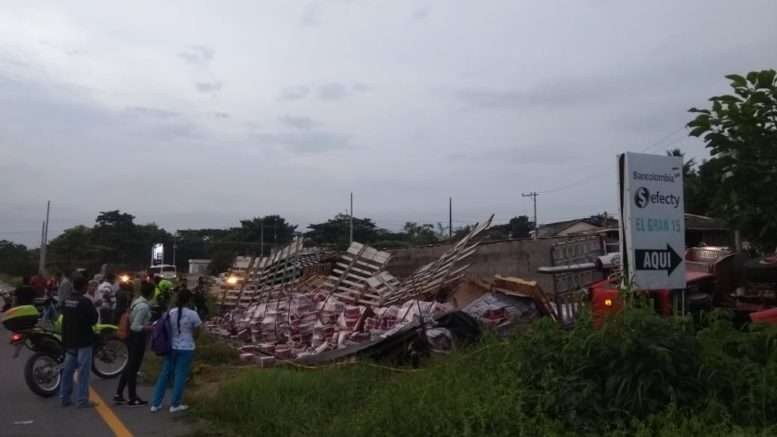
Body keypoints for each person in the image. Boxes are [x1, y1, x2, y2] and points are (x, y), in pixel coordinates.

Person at [150, 288, 201, 413]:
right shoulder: (192, 314)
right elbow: (197, 331)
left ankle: (155, 404)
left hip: (171, 347)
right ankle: (175, 404)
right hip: (187, 347)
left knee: (165, 374)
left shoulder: (171, 312)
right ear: (189, 300)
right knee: (180, 375)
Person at [60, 276, 99, 408]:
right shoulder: (85, 301)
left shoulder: (67, 300)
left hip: (70, 340)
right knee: (83, 371)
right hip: (84, 340)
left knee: (67, 370)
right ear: (83, 286)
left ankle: (64, 398)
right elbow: (94, 319)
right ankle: (82, 400)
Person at [115, 282, 153, 406]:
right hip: (137, 338)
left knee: (129, 366)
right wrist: (149, 328)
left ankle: (119, 393)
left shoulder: (137, 302)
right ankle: (132, 397)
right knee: (133, 368)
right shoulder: (144, 307)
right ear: (151, 293)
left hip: (132, 338)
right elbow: (136, 326)